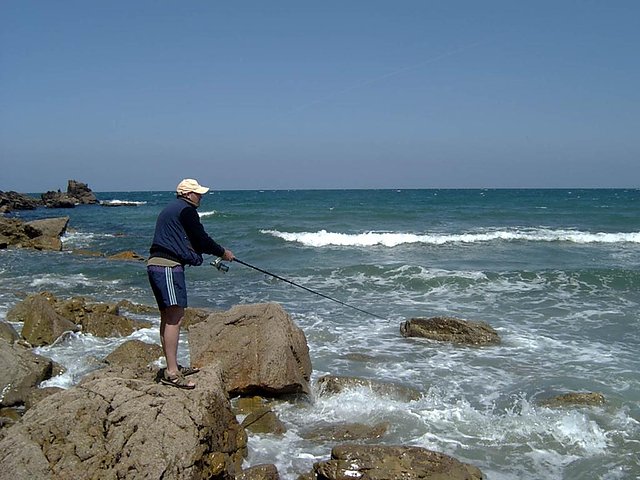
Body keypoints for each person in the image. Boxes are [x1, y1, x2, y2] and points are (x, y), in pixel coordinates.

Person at [147, 178, 235, 389]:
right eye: (198, 193)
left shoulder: (172, 209)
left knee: (168, 317)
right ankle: (172, 372)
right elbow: (200, 239)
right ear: (187, 194)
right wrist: (223, 252)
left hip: (157, 265)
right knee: (175, 318)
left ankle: (172, 365)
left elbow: (192, 241)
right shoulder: (186, 210)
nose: (201, 196)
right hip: (167, 267)